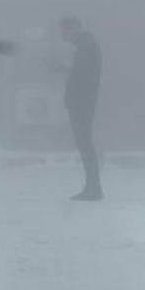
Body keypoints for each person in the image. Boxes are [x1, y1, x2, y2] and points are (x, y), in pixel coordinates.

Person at [59, 16, 104, 201]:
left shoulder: (86, 47)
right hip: (83, 102)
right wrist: (63, 69)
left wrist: (73, 98)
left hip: (82, 104)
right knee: (85, 144)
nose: (64, 36)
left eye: (65, 31)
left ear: (75, 28)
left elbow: (83, 77)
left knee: (85, 144)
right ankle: (92, 187)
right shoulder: (86, 46)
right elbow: (81, 73)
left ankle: (94, 188)